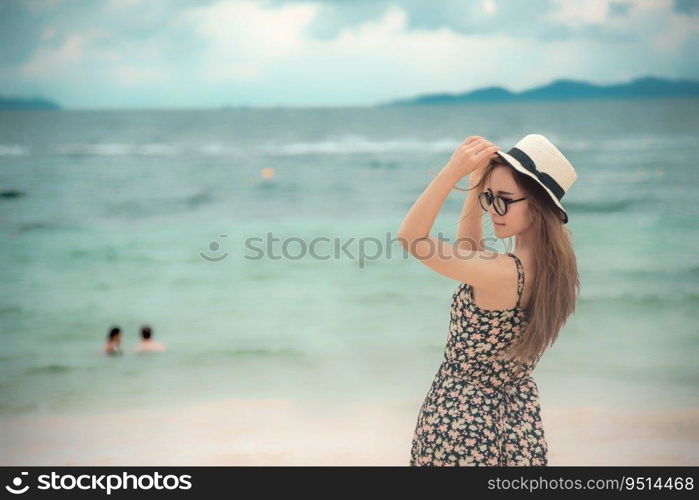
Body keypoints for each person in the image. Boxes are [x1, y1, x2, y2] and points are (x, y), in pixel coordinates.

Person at [398, 134, 579, 466]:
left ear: (538, 205)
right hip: (515, 422)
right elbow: (471, 259)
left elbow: (411, 238)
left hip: (462, 420)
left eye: (505, 200)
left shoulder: (503, 273)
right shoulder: (553, 269)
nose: (494, 210)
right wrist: (476, 186)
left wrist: (451, 172)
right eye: (489, 197)